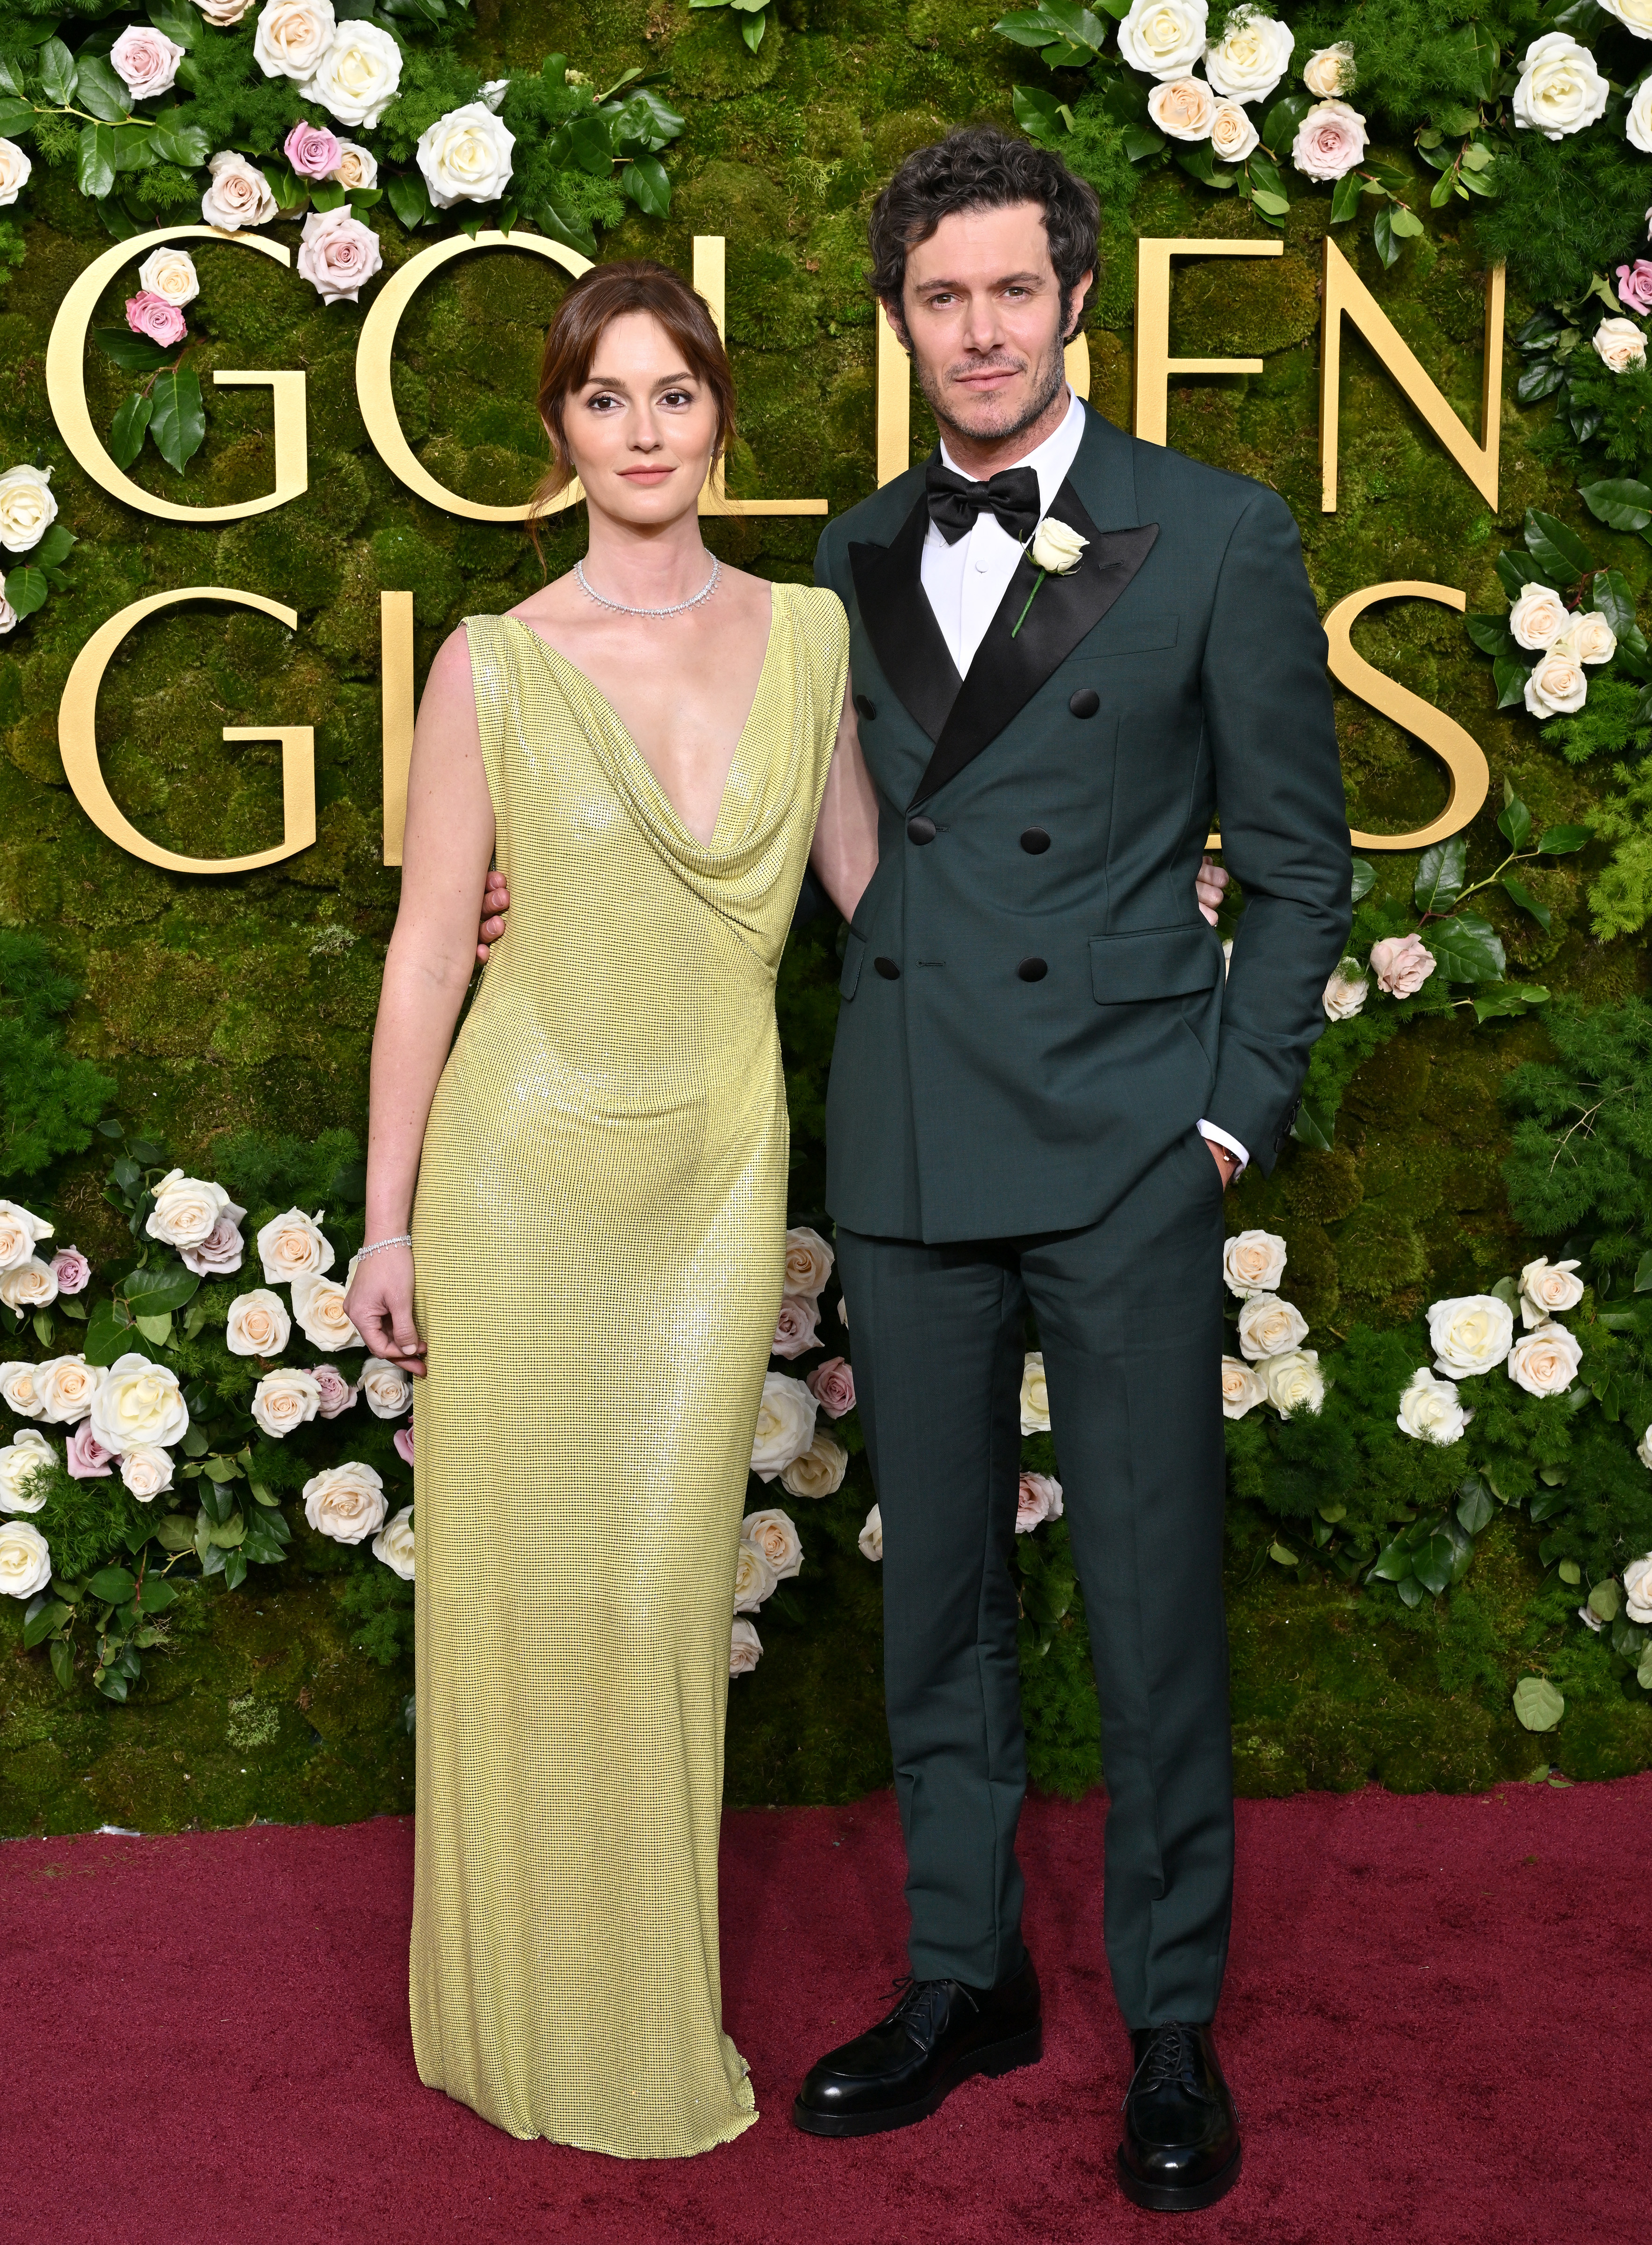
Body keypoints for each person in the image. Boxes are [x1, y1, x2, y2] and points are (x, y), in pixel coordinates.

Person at [466, 130, 1331, 2197]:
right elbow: (775, 835)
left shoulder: (1209, 534)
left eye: (1008, 292)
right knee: (926, 1596)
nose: (976, 330)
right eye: (938, 298)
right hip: (915, 1141)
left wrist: (1224, 1117)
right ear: (898, 321)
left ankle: (1171, 2032)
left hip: (1127, 1144)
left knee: (1145, 1609)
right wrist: (564, 907)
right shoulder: (840, 567)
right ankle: (965, 1978)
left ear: (1073, 300)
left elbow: (1298, 866)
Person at [343, 259, 875, 2158]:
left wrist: (1133, 924)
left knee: (651, 1601)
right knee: (525, 1600)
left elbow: (885, 911)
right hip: (516, 1182)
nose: (642, 430)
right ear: (555, 431)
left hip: (705, 1197)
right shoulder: (492, 661)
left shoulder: (811, 641)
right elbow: (424, 957)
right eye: (604, 399)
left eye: (672, 393)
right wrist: (387, 1224)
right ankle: (515, 2014)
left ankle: (638, 2013)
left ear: (718, 415)